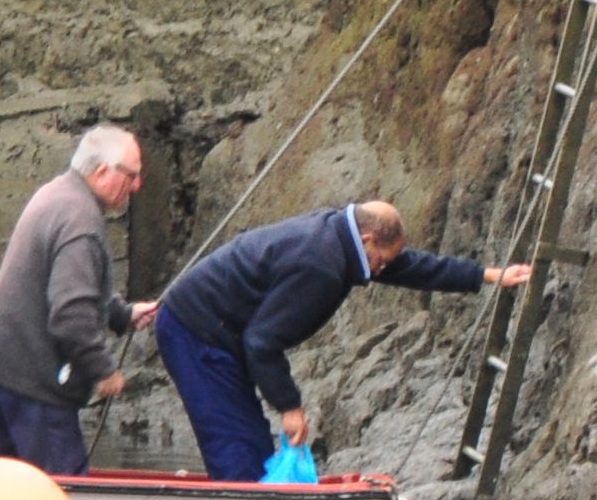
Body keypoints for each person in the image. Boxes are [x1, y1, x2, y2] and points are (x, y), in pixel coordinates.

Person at [152, 198, 532, 482]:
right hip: (194, 330)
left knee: (252, 442)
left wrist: (487, 275)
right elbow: (262, 341)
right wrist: (290, 407)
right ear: (367, 238)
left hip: (222, 330)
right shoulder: (320, 266)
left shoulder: (340, 235)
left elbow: (411, 266)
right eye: (381, 260)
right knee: (233, 441)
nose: (382, 269)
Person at [0, 124, 144, 477]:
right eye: (133, 175)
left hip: (0, 362)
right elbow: (69, 316)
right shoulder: (81, 220)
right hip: (33, 374)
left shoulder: (58, 192)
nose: (137, 185)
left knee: (5, 479)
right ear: (101, 172)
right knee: (62, 488)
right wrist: (104, 370)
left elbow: (69, 286)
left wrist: (122, 315)